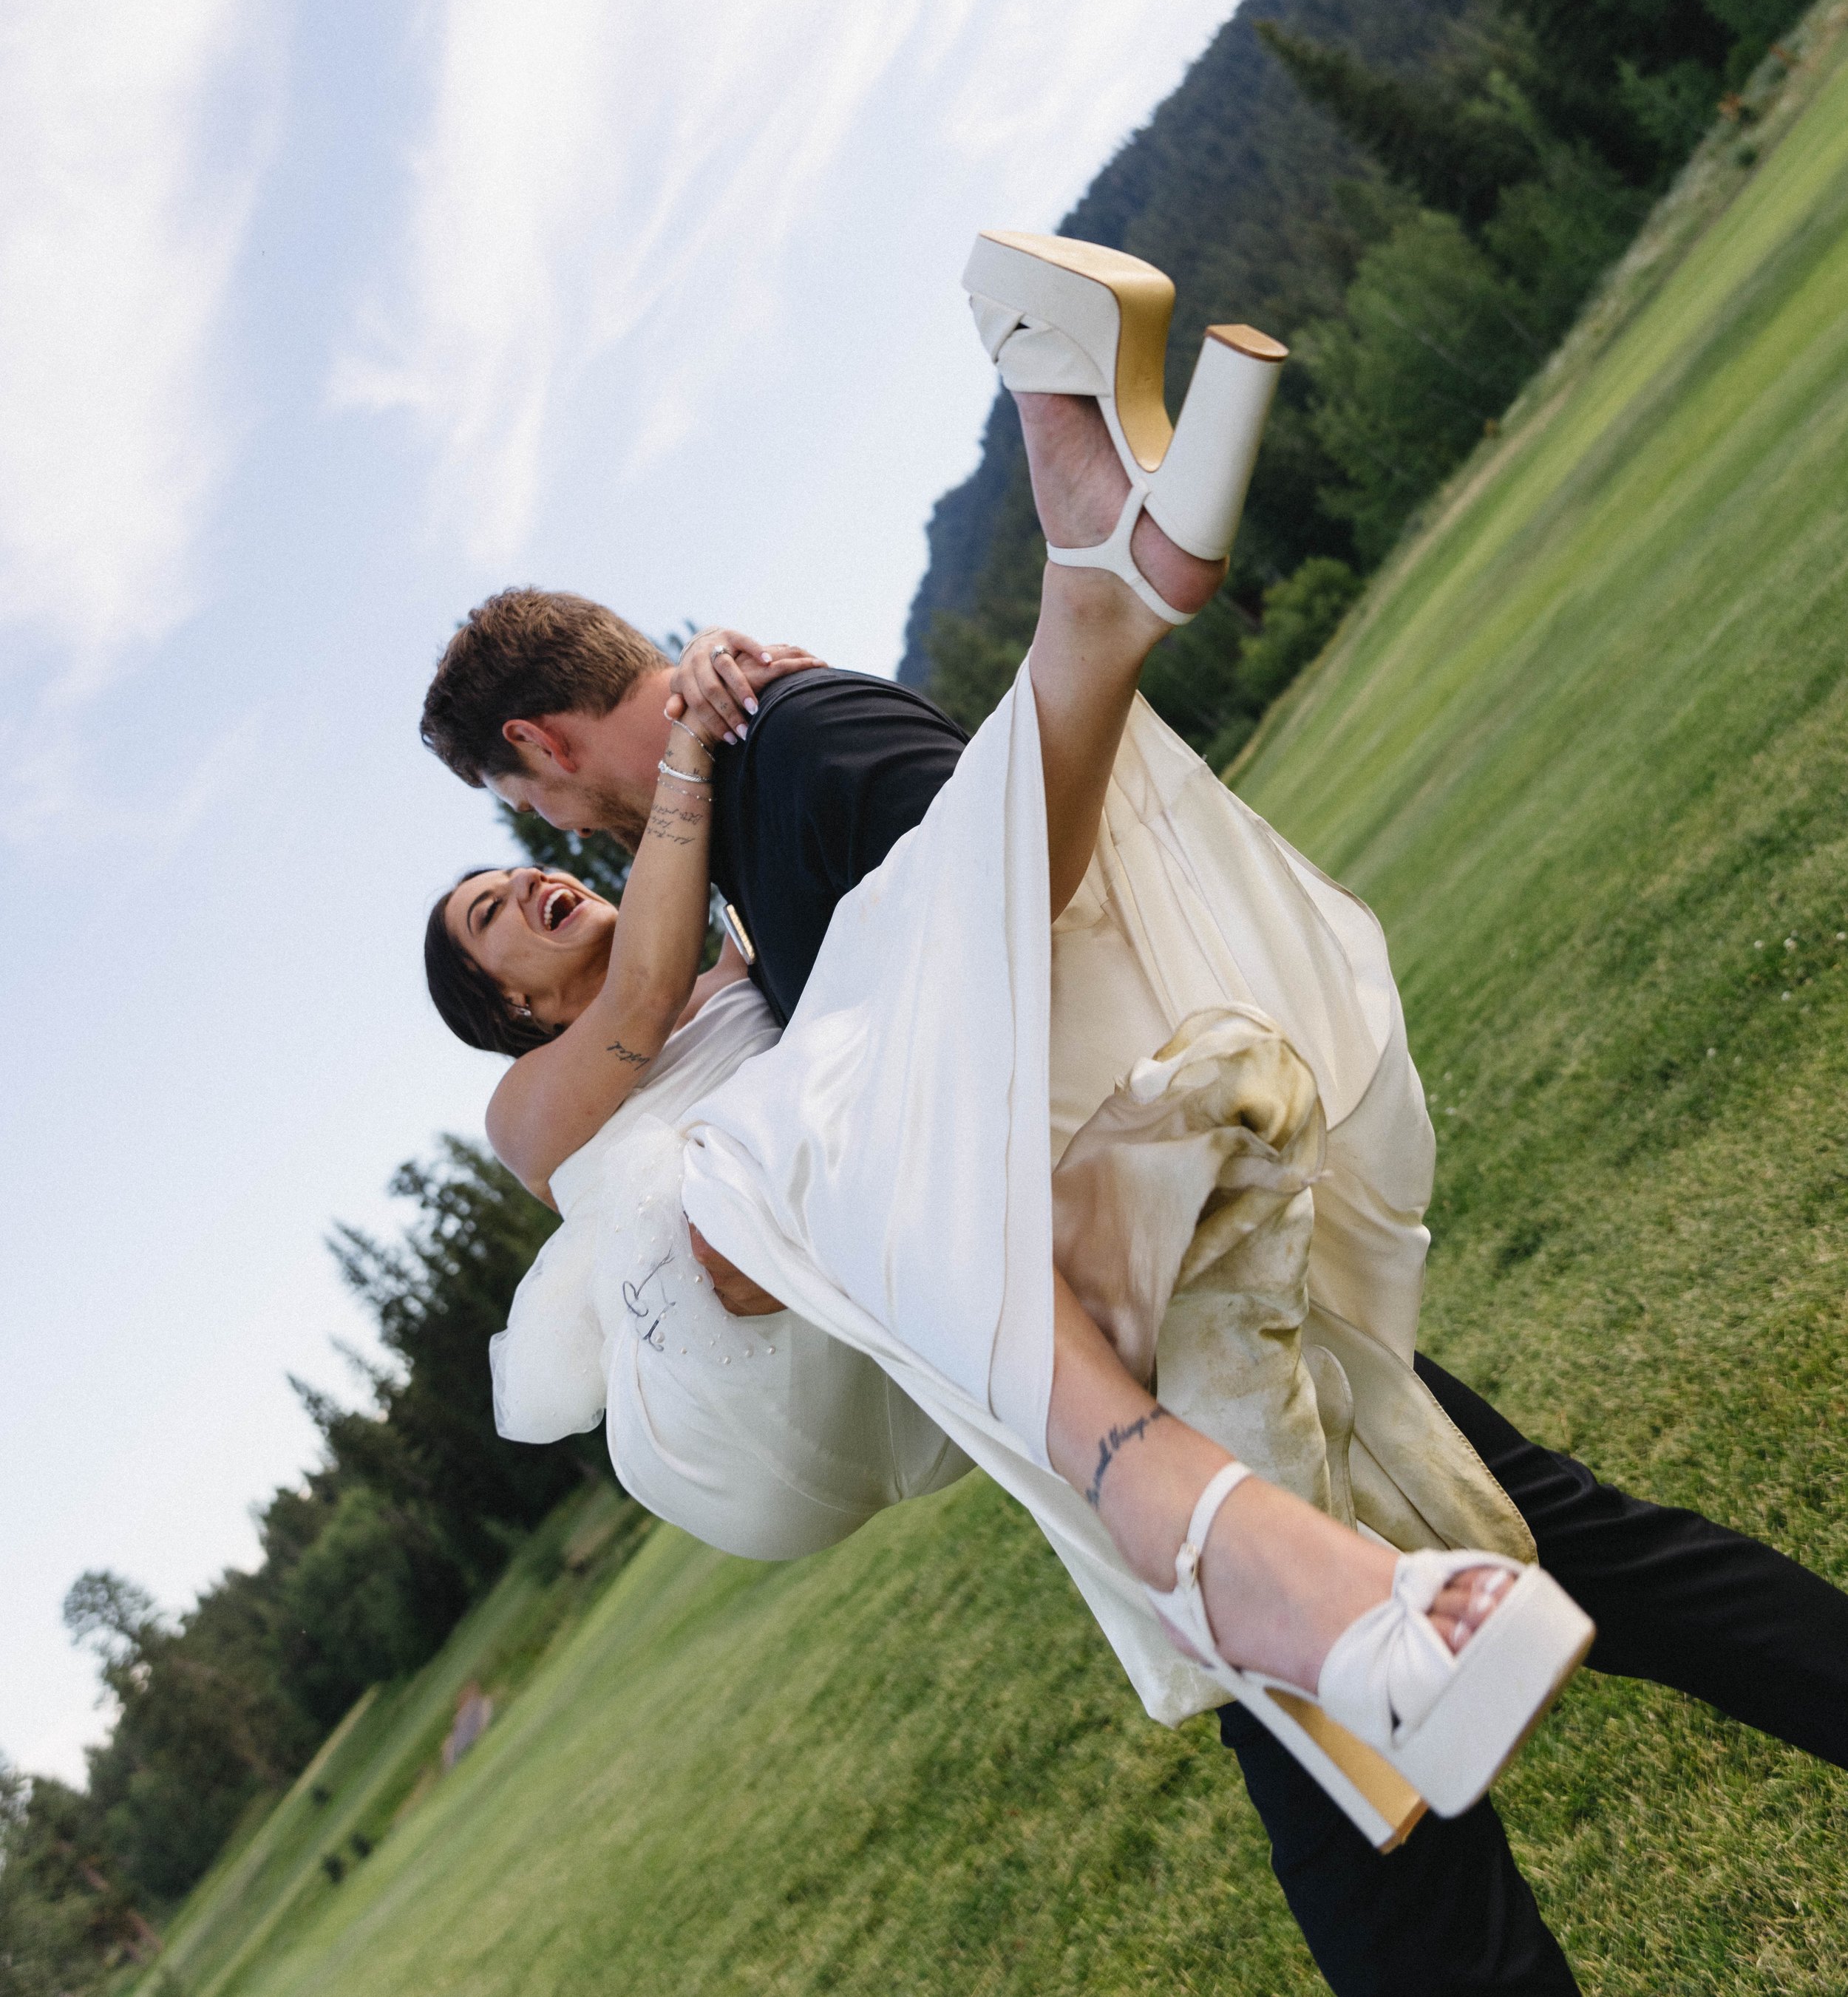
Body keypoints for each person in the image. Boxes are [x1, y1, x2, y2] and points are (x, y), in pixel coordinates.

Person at [424, 229, 1848, 1997]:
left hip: (1152, 1276)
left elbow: (1017, 875)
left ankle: (1093, 593)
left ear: (536, 752)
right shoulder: (713, 871)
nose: (535, 859)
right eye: (501, 899)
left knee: (1367, 1811)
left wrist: (737, 725)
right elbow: (802, 976)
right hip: (1114, 1270)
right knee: (1562, 1571)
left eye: (513, 819)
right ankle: (1099, 578)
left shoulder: (782, 732)